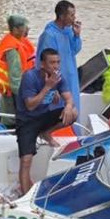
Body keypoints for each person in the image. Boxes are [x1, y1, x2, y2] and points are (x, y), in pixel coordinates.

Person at [15, 48, 78, 195]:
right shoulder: (29, 77)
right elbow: (30, 105)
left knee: (73, 113)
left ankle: (46, 132)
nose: (56, 66)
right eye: (52, 63)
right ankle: (24, 195)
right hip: (27, 121)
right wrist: (48, 87)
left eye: (58, 62)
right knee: (26, 160)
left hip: (44, 116)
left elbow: (69, 98)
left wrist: (68, 106)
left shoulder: (59, 77)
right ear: (42, 64)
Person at [0, 14, 36, 123]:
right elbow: (15, 79)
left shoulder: (18, 40)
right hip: (12, 94)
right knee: (11, 120)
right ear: (16, 30)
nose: (28, 29)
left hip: (16, 89)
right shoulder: (12, 51)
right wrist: (26, 97)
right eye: (25, 27)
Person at [36, 0, 83, 113]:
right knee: (58, 111)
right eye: (71, 15)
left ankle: (73, 131)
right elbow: (44, 64)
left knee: (73, 108)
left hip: (71, 77)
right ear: (62, 16)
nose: (74, 18)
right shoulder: (49, 35)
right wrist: (53, 87)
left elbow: (75, 50)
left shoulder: (69, 31)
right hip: (56, 81)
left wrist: (77, 35)